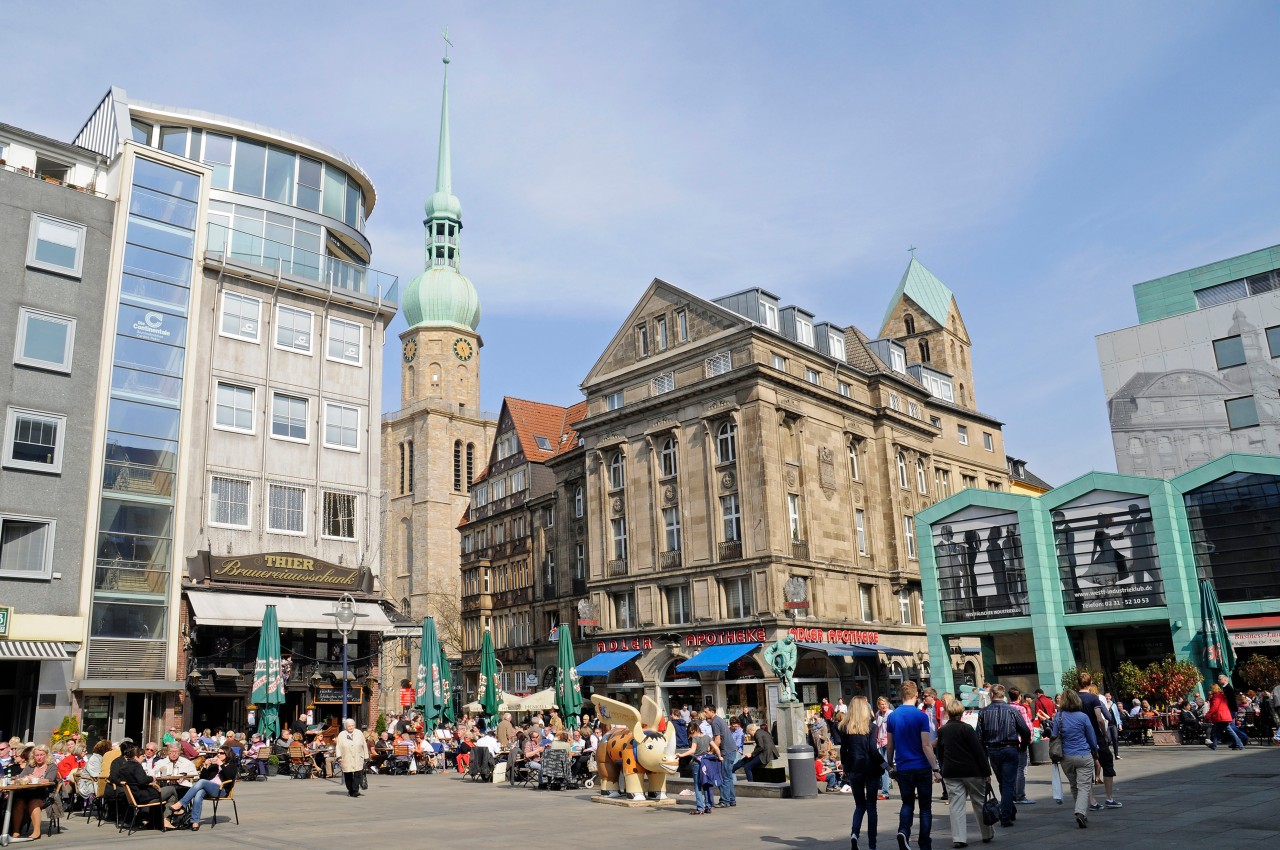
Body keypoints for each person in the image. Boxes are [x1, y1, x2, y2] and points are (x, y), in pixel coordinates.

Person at [885, 681, 939, 850]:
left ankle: (903, 832)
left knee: (907, 803)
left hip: (903, 767)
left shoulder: (892, 716)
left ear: (901, 695)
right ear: (916, 695)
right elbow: (926, 745)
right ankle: (924, 843)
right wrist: (936, 769)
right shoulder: (921, 716)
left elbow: (889, 745)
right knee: (925, 808)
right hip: (922, 766)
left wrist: (890, 765)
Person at [936, 698, 992, 848]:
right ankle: (986, 833)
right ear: (962, 713)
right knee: (979, 802)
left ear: (948, 713)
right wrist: (986, 771)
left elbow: (940, 753)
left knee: (956, 805)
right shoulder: (967, 729)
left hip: (951, 772)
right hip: (972, 770)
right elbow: (978, 751)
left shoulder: (942, 731)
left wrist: (941, 769)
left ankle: (959, 838)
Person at [975, 684, 1030, 828]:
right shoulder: (1012, 711)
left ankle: (1008, 810)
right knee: (1007, 783)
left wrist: (983, 757)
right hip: (1010, 748)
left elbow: (979, 737)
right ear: (1003, 695)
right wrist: (1023, 746)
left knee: (1004, 782)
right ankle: (1007, 813)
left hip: (993, 750)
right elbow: (1025, 731)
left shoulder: (984, 713)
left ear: (991, 695)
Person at [1051, 689, 1100, 829]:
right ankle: (1080, 812)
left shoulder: (1058, 717)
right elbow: (1091, 738)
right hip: (1083, 755)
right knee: (1084, 786)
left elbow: (1054, 736)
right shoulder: (1083, 717)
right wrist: (1095, 751)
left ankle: (1082, 813)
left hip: (1066, 757)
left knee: (1074, 785)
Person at [840, 697, 884, 850]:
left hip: (854, 768)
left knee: (859, 805)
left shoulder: (845, 727)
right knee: (872, 806)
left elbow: (843, 750)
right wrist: (886, 765)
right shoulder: (871, 727)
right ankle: (872, 844)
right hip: (870, 768)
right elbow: (873, 750)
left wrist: (845, 768)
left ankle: (854, 834)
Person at [1074, 674, 1120, 811]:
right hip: (1095, 734)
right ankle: (1109, 798)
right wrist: (1104, 732)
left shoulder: (1074, 699)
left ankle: (1092, 801)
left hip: (1080, 737)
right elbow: (1100, 719)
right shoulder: (1093, 698)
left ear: (1078, 683)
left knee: (1085, 769)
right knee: (1107, 762)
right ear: (1090, 683)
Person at [170, 744, 236, 830]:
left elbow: (230, 776)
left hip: (221, 790)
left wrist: (221, 765)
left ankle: (182, 803)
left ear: (227, 754)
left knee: (202, 783)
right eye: (218, 753)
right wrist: (205, 766)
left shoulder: (232, 765)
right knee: (199, 792)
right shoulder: (214, 765)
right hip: (209, 789)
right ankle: (195, 822)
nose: (218, 755)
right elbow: (203, 778)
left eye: (221, 753)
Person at [9, 745, 60, 840]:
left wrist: (35, 779)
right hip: (28, 793)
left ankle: (36, 832)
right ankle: (16, 831)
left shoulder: (52, 766)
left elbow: (50, 779)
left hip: (45, 795)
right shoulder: (30, 766)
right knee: (18, 802)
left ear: (47, 755)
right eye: (37, 755)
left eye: (41, 755)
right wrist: (22, 779)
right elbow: (21, 777)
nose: (39, 757)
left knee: (33, 802)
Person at [677, 721, 715, 815]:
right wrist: (718, 756)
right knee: (705, 784)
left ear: (692, 730)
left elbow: (692, 751)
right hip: (705, 763)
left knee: (697, 786)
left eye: (690, 733)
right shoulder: (707, 737)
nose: (690, 736)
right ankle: (708, 806)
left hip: (697, 764)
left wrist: (681, 755)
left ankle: (700, 808)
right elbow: (714, 748)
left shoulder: (695, 739)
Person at [1005, 688, 1035, 806]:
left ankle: (1011, 794)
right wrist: (1029, 740)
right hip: (1020, 742)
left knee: (1010, 769)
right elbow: (1027, 727)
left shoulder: (1005, 708)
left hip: (1007, 742)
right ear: (1019, 696)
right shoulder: (1021, 708)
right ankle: (1020, 795)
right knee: (1020, 769)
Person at [706, 705, 737, 808]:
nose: (705, 714)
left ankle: (724, 801)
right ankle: (731, 800)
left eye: (706, 712)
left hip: (726, 752)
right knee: (728, 777)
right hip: (731, 750)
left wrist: (712, 751)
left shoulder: (715, 722)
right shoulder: (720, 719)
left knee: (724, 777)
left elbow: (717, 740)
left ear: (711, 712)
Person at [334, 718, 369, 798]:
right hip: (346, 757)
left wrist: (366, 757)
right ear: (346, 726)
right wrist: (339, 757)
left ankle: (355, 790)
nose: (351, 727)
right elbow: (338, 747)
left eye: (352, 725)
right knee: (348, 774)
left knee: (358, 774)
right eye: (349, 726)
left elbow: (364, 745)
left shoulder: (359, 733)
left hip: (358, 757)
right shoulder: (342, 734)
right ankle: (351, 790)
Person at [1205, 684, 1242, 750]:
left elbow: (1214, 707)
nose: (1210, 690)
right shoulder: (1221, 695)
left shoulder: (1216, 696)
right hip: (1223, 715)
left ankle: (1239, 744)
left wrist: (1208, 714)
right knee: (1216, 731)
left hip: (1220, 716)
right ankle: (1214, 745)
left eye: (1211, 689)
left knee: (1229, 730)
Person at [1217, 674, 1248, 747]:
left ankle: (1243, 737)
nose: (1218, 681)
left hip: (1230, 710)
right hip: (1230, 709)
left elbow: (1229, 701)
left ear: (1225, 680)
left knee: (1230, 726)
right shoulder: (1225, 688)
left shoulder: (1228, 688)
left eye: (1220, 679)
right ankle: (1236, 741)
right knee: (1231, 726)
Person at [874, 696, 892, 800]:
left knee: (885, 765)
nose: (883, 706)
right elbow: (878, 728)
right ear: (878, 706)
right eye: (881, 704)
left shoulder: (891, 714)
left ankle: (885, 792)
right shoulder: (878, 714)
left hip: (888, 742)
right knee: (883, 766)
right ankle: (886, 788)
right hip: (880, 742)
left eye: (885, 703)